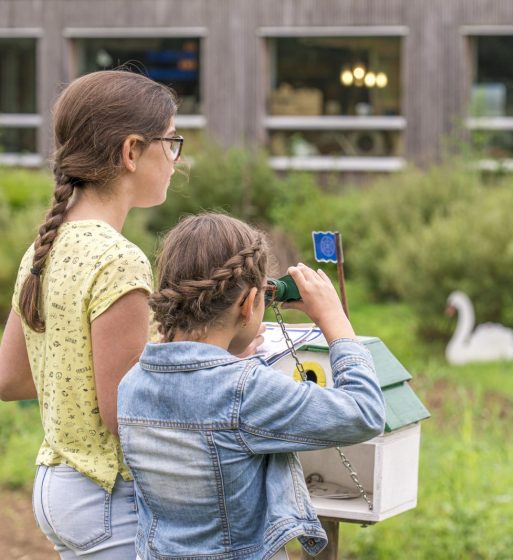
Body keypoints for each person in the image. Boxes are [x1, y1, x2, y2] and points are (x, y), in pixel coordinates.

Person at [117, 213, 385, 560]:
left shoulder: (132, 384)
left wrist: (232, 353)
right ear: (248, 304)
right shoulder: (244, 391)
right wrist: (334, 319)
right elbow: (364, 412)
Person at [0, 70, 181, 558]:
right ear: (130, 152)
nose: (175, 159)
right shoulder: (118, 258)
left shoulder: (46, 245)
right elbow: (124, 412)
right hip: (107, 495)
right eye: (171, 142)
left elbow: (10, 379)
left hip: (57, 488)